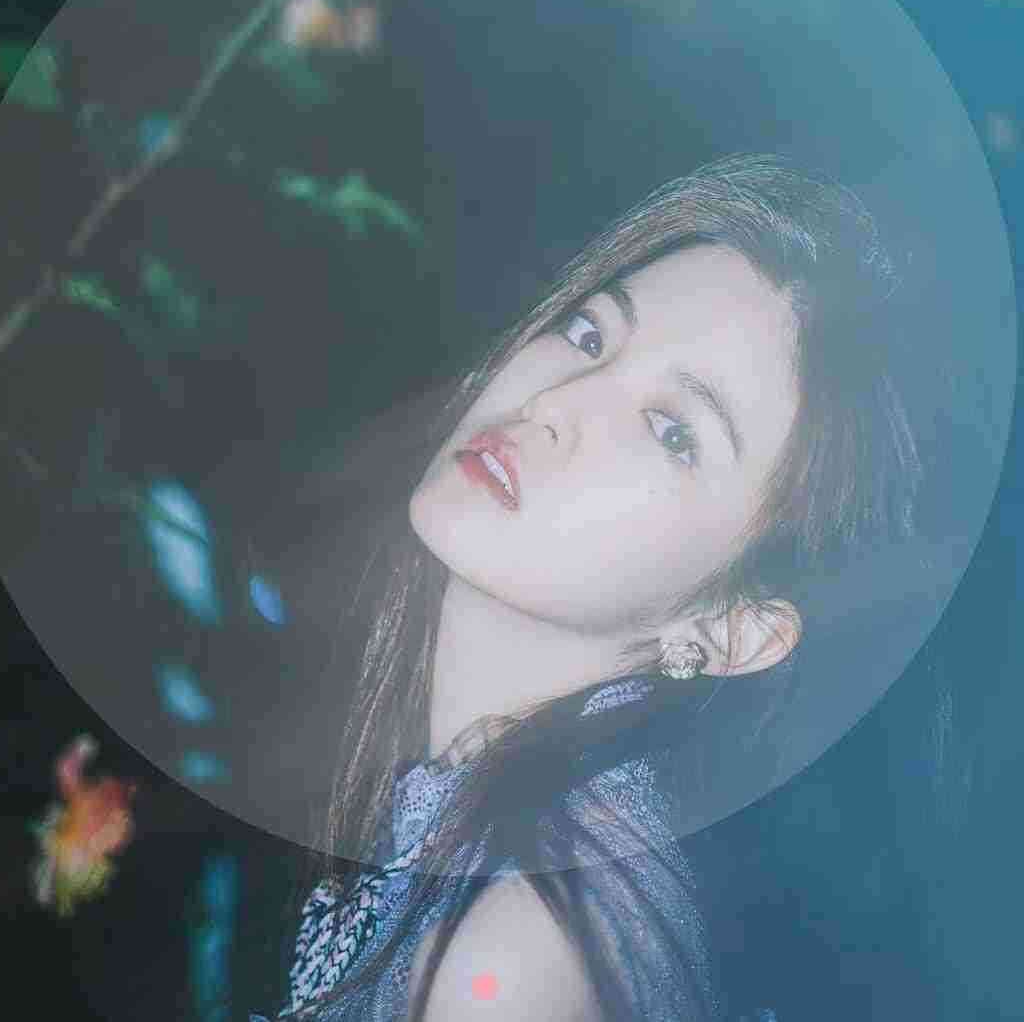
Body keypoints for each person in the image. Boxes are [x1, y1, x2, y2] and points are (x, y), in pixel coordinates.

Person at [254, 152, 922, 1022]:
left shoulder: (515, 958)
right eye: (589, 335)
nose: (557, 402)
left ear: (735, 629)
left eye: (672, 431)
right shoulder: (500, 833)